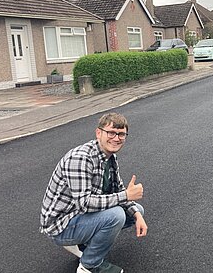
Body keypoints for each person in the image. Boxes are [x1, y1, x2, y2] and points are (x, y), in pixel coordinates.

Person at [40, 112, 147, 273]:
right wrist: (126, 195)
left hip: (78, 217)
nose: (116, 138)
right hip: (61, 225)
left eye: (121, 134)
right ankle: (89, 265)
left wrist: (137, 215)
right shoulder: (81, 158)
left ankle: (84, 245)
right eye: (111, 133)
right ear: (99, 133)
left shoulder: (109, 157)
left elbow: (118, 189)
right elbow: (84, 204)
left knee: (136, 211)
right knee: (116, 215)